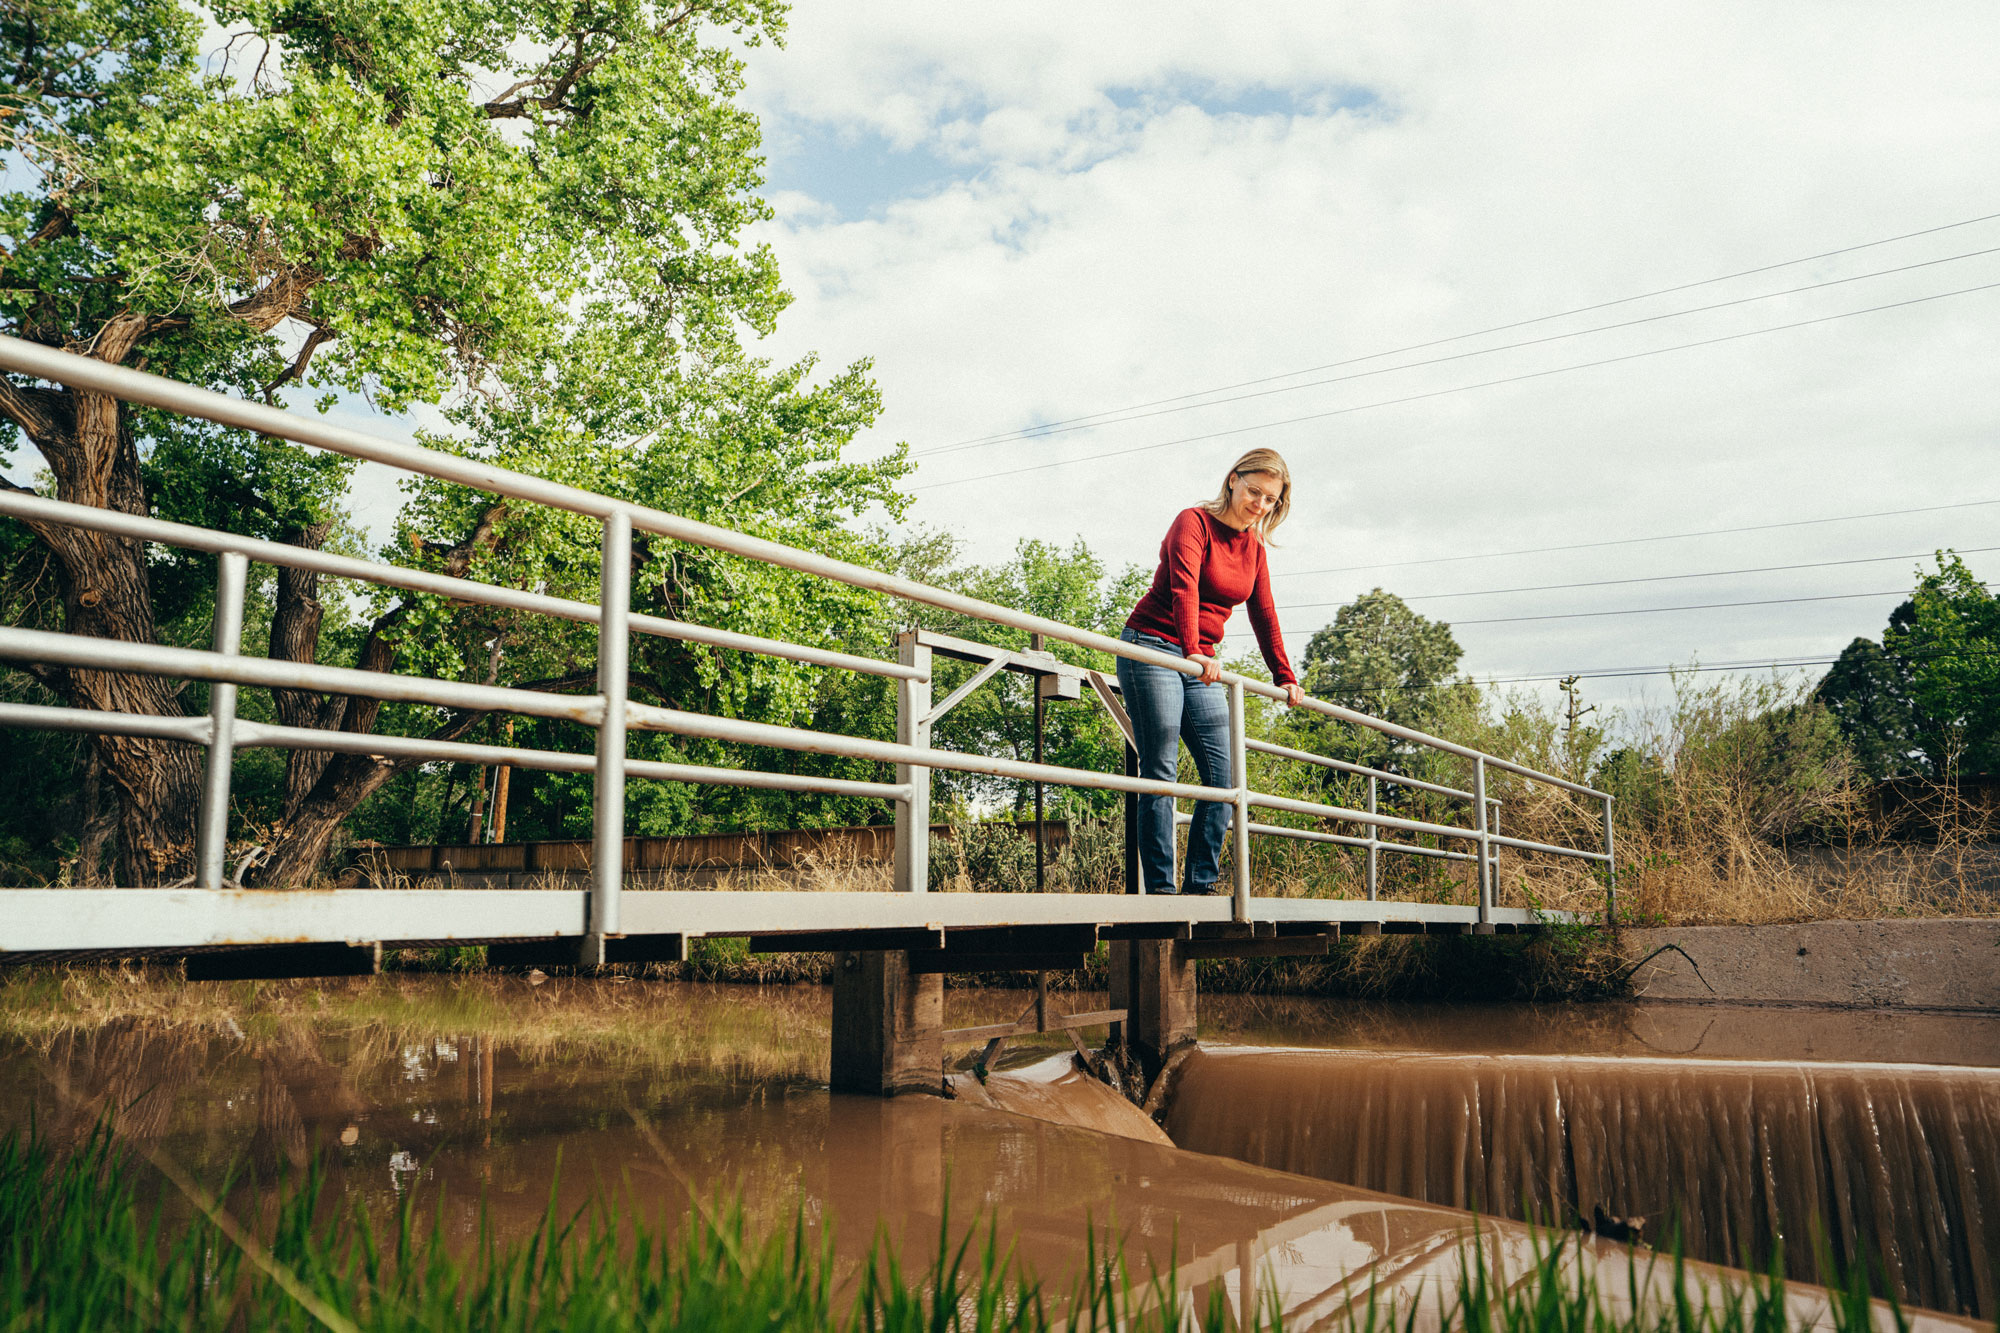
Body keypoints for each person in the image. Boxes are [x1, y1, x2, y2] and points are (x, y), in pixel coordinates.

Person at [1116, 448, 1306, 894]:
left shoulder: (1254, 551)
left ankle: (1199, 885)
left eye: (1270, 500)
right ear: (1233, 481)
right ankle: (1161, 890)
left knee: (1225, 777)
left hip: (1199, 660)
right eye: (1254, 492)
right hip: (1154, 649)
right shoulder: (1193, 522)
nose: (1259, 505)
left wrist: (1285, 676)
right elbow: (1185, 588)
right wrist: (1193, 650)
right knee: (1161, 769)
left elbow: (1265, 614)